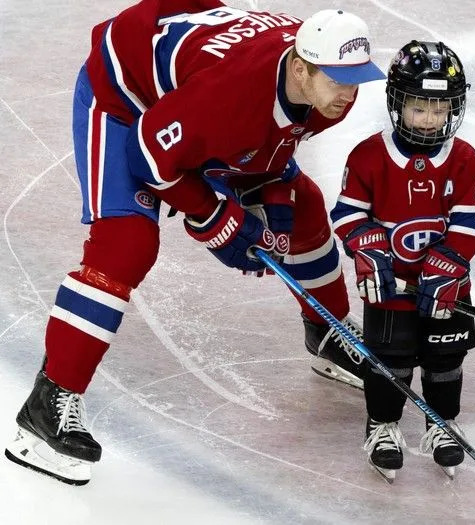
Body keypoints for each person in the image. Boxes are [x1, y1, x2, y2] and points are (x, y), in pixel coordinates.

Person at [4, 0, 386, 485]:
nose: (347, 94)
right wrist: (217, 217)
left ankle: (327, 329)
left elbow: (264, 143)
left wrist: (275, 203)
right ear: (300, 67)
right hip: (127, 100)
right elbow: (149, 155)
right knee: (127, 242)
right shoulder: (232, 95)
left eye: (355, 79)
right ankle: (47, 404)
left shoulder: (323, 90)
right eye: (336, 80)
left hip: (189, 96)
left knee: (304, 205)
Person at [331, 41, 475, 481]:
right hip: (390, 287)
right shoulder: (368, 155)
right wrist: (370, 251)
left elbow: (469, 221)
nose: (430, 119)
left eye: (440, 109)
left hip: (446, 289)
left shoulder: (464, 158)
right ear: (398, 103)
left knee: (445, 358)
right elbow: (348, 213)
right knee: (390, 359)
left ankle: (442, 422)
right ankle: (382, 426)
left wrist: (450, 262)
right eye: (420, 108)